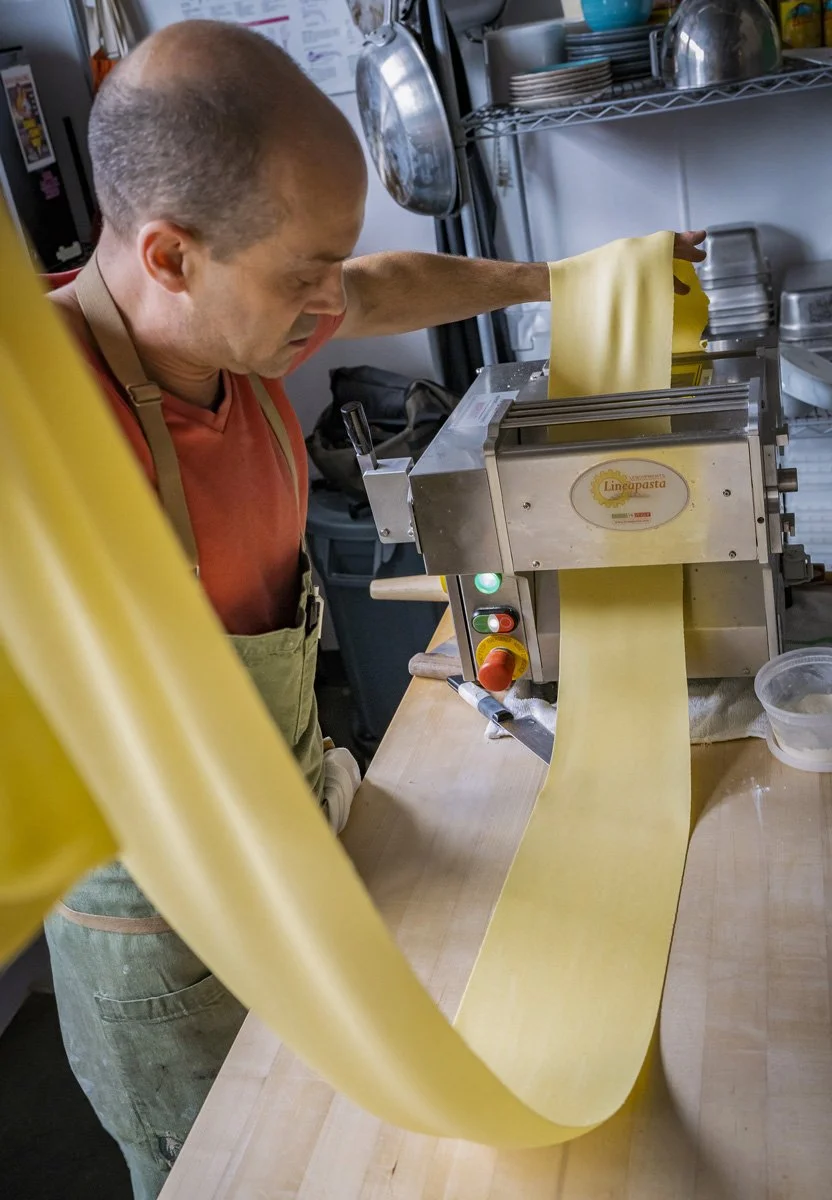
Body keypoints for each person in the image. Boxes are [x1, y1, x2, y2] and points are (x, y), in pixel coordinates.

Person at [44, 19, 706, 1199]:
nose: (330, 300)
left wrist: (570, 282)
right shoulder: (43, 425)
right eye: (305, 273)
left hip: (298, 821)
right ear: (171, 255)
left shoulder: (232, 325)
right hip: (174, 938)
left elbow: (382, 286)